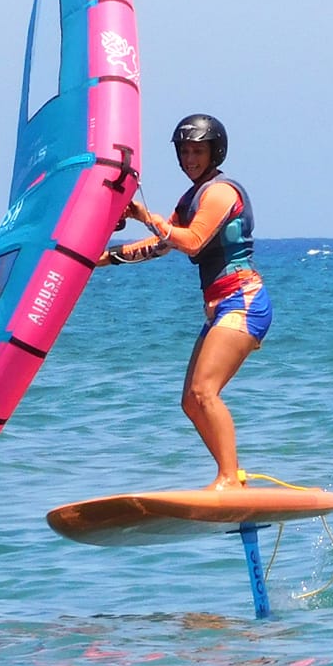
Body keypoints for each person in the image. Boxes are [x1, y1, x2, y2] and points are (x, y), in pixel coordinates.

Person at [104, 114, 270, 491]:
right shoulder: (191, 198)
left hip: (244, 300)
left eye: (198, 151)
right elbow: (161, 245)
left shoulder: (222, 192)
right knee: (191, 403)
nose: (191, 159)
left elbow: (191, 241)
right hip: (221, 308)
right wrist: (96, 260)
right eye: (185, 151)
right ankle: (232, 478)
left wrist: (148, 216)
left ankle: (228, 477)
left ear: (215, 152)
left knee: (204, 393)